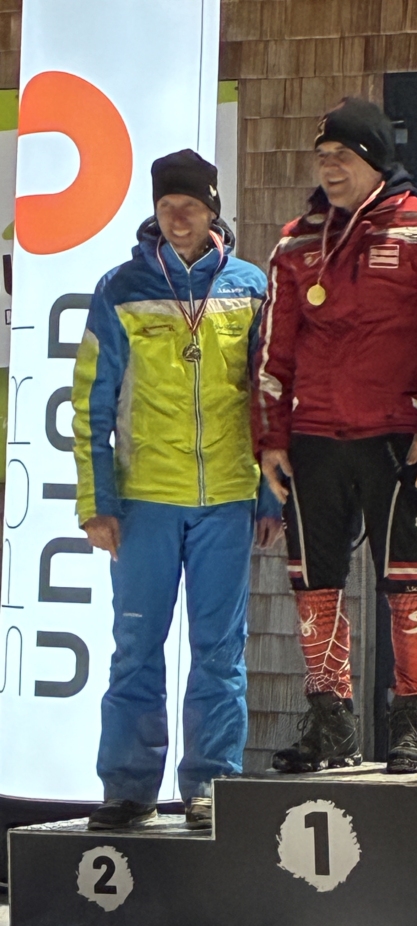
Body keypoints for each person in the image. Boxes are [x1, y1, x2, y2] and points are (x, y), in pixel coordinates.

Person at [254, 97, 417, 774]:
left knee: (408, 584)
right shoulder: (296, 243)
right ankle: (331, 725)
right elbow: (272, 352)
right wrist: (271, 440)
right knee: (313, 584)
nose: (330, 168)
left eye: (344, 157)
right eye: (322, 157)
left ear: (377, 160)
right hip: (312, 439)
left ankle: (412, 726)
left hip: (400, 438)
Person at [72, 149, 282, 832]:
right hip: (144, 501)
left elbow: (269, 399)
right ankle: (128, 787)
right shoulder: (121, 288)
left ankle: (211, 786)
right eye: (167, 206)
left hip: (228, 497)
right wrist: (96, 502)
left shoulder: (250, 287)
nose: (178, 217)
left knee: (220, 651)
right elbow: (90, 402)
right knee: (136, 646)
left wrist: (271, 497)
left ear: (213, 209)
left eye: (190, 205)